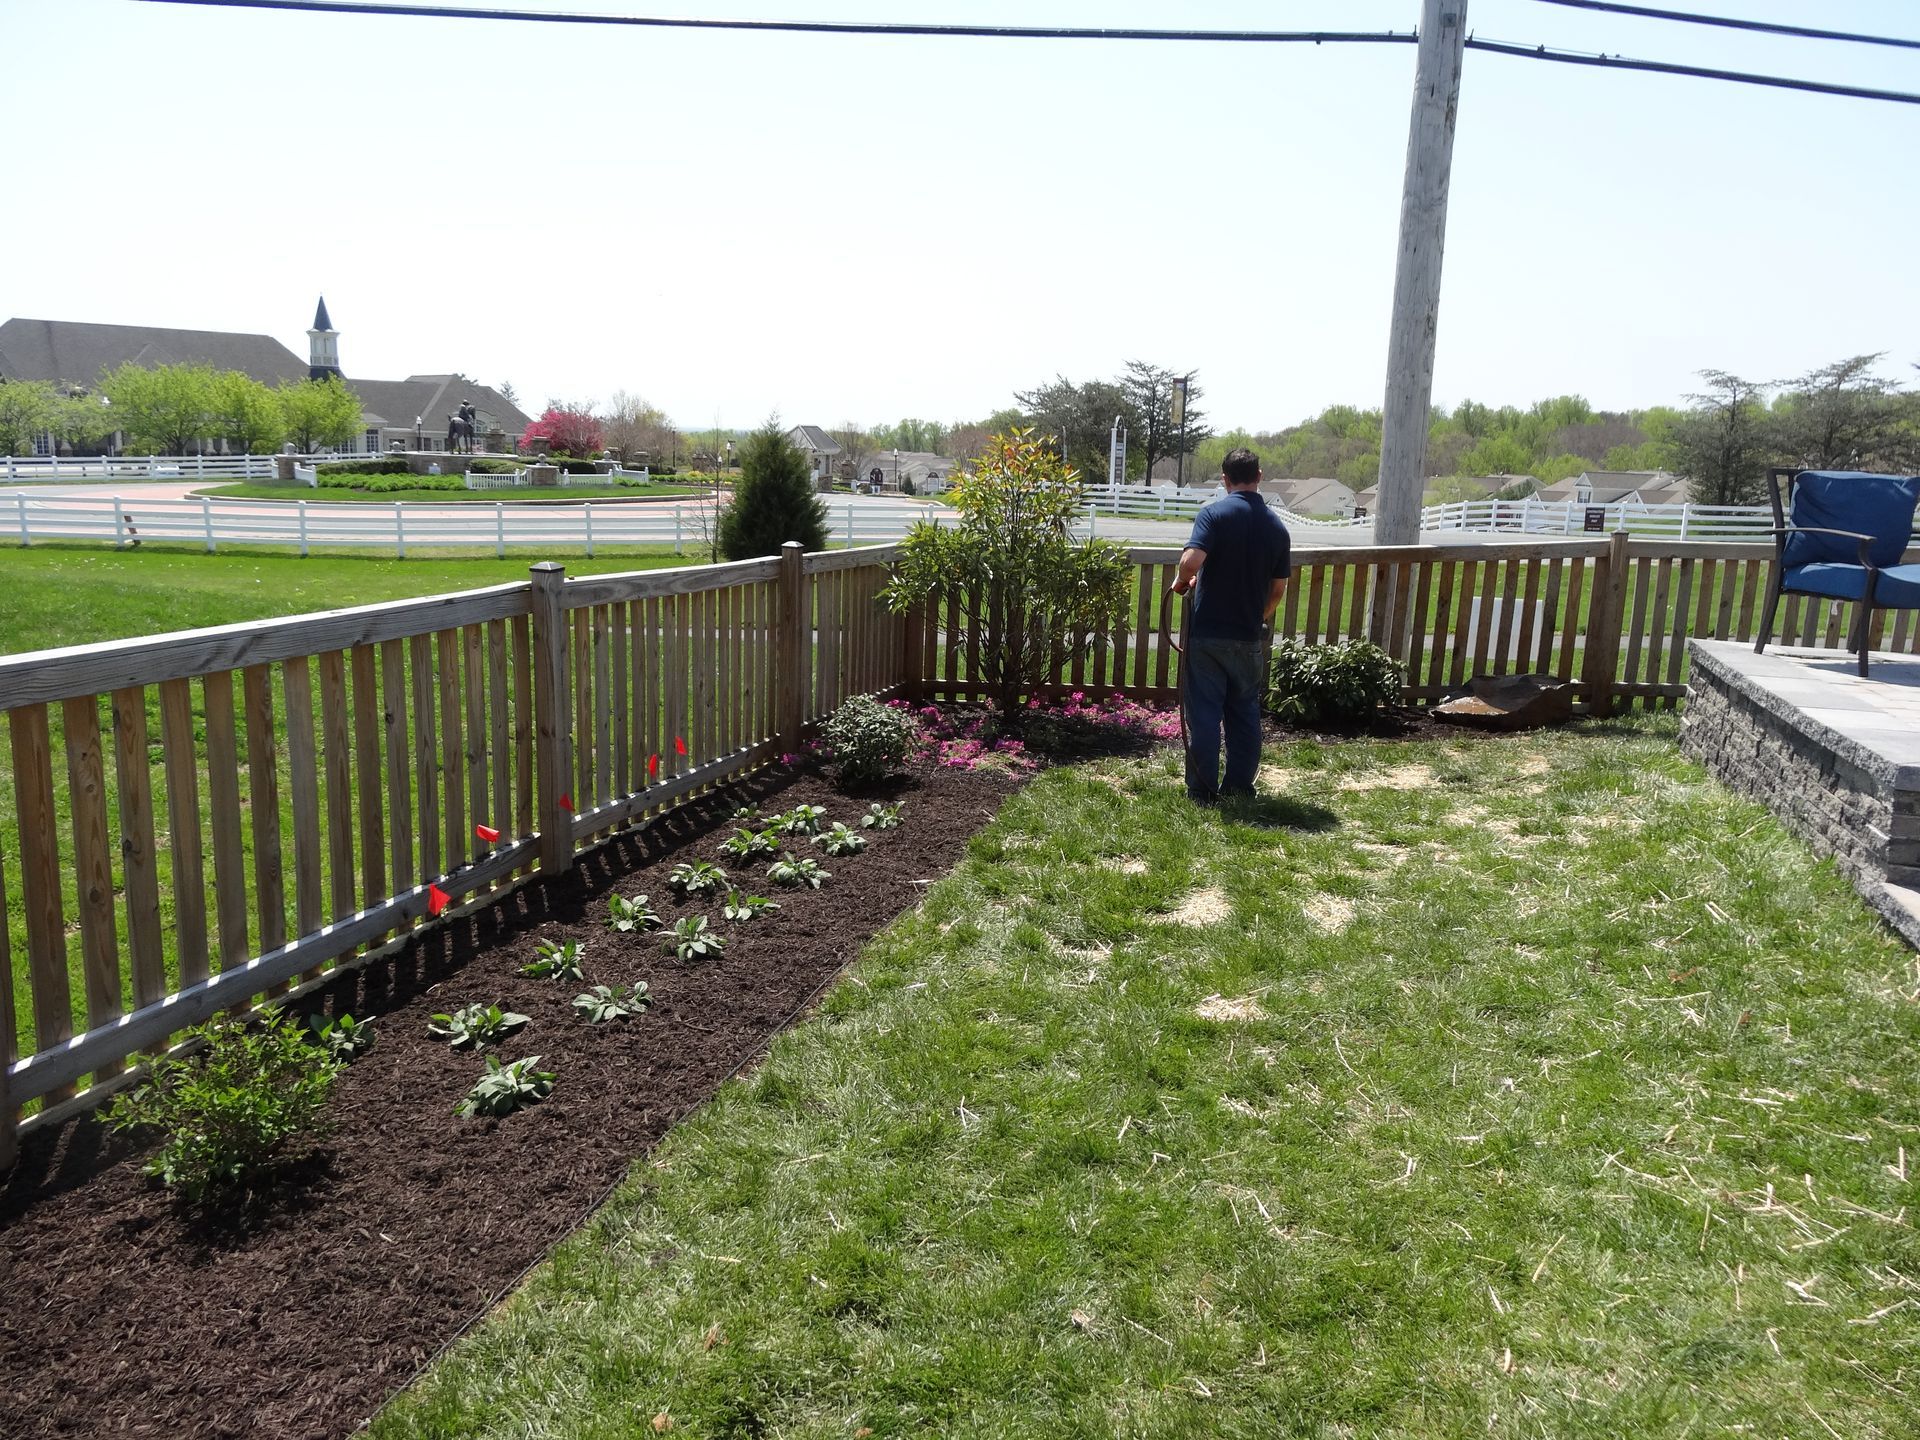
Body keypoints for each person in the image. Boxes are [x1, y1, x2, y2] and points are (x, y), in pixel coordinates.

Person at [1169, 447, 1290, 804]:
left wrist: (1181, 581)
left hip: (1207, 636)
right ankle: (1239, 787)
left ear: (1225, 479)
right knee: (1245, 713)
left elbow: (1191, 561)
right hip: (1248, 637)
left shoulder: (1214, 515)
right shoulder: (1276, 527)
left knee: (1205, 716)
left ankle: (1202, 791)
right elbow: (1278, 589)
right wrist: (1259, 617)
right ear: (1260, 476)